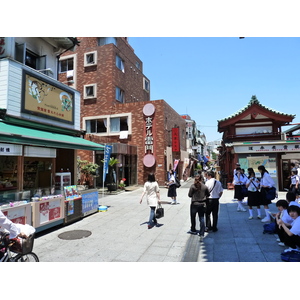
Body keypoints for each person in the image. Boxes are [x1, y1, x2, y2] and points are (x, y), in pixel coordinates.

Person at [187, 175, 210, 241]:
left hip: (194, 204)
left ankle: (193, 229)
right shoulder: (204, 186)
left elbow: (189, 195)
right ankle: (202, 232)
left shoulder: (192, 186)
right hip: (202, 204)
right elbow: (208, 195)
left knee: (193, 217)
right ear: (201, 180)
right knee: (201, 218)